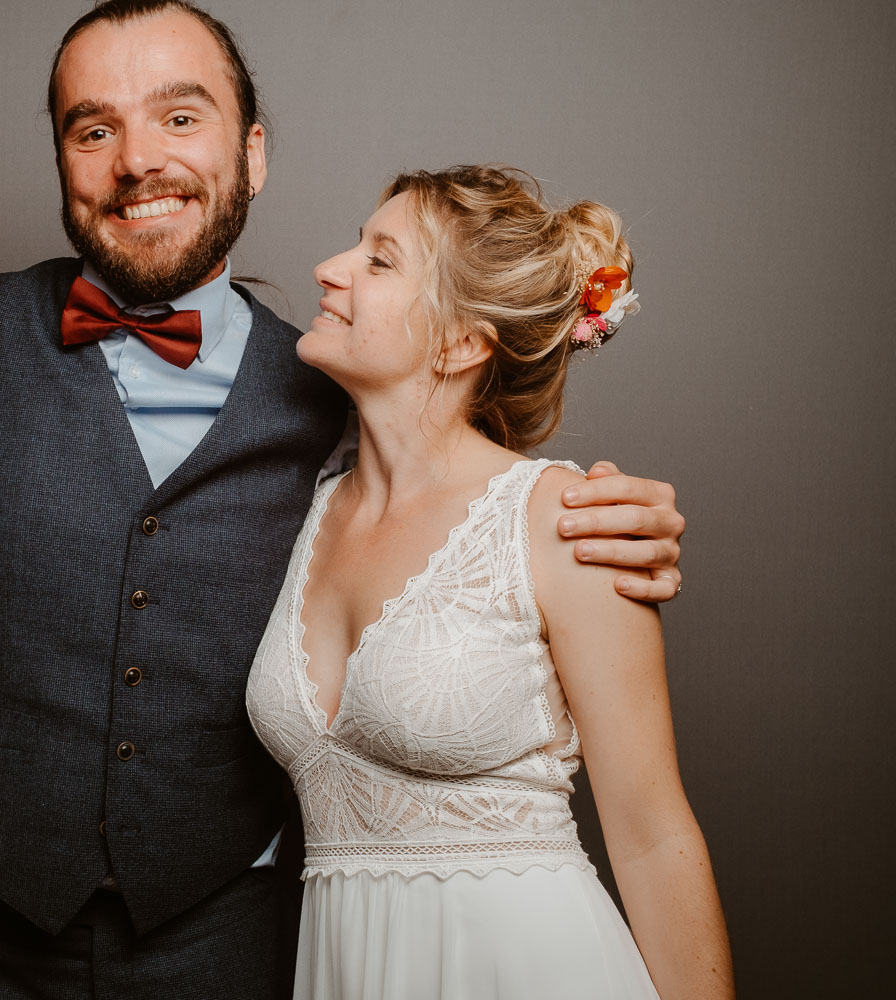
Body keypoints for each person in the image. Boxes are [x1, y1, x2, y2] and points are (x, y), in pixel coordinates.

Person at [0, 3, 689, 998]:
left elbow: (460, 493)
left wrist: (601, 520)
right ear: (60, 161)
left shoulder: (335, 397)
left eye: (180, 117)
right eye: (93, 129)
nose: (136, 159)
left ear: (252, 155)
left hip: (225, 941)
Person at [244, 165, 733, 999]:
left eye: (381, 260)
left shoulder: (563, 522)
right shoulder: (307, 503)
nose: (330, 268)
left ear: (462, 342)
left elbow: (653, 836)